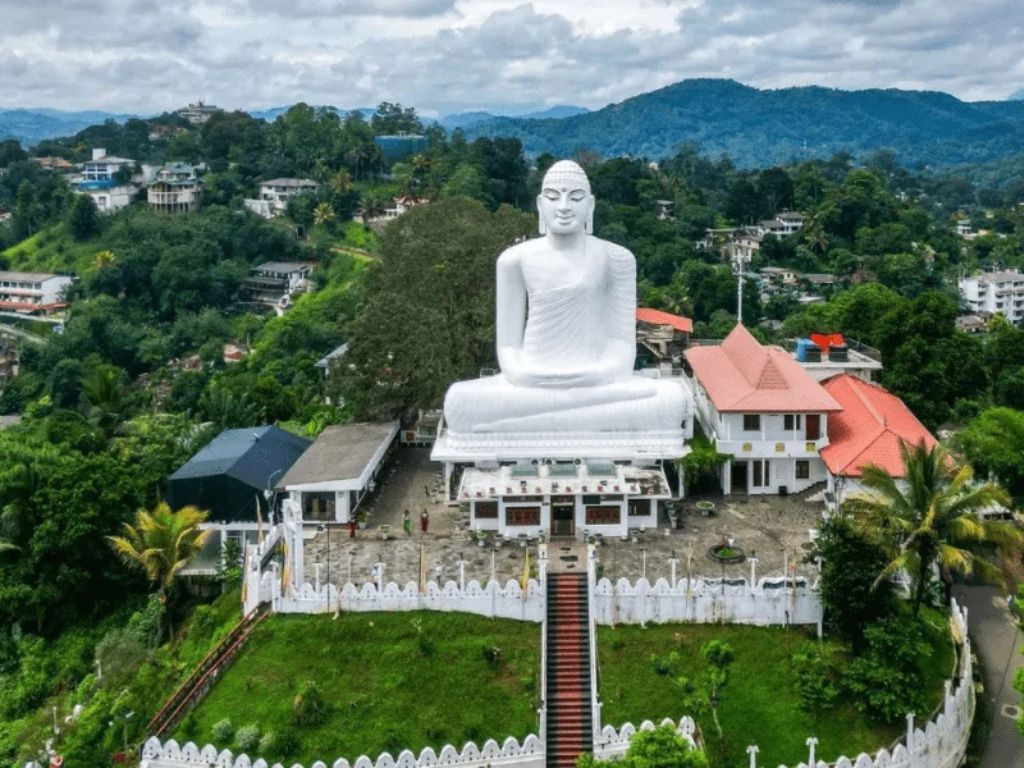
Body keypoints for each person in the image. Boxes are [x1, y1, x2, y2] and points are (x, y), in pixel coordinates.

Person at [441, 160, 685, 435]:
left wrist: (596, 375)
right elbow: (508, 347)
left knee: (669, 400)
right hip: (531, 383)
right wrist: (525, 375)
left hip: (596, 382)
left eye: (576, 198)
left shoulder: (616, 258)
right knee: (459, 401)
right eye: (553, 197)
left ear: (590, 205)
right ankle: (572, 417)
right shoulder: (514, 259)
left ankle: (536, 421)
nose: (564, 206)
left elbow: (621, 344)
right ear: (540, 204)